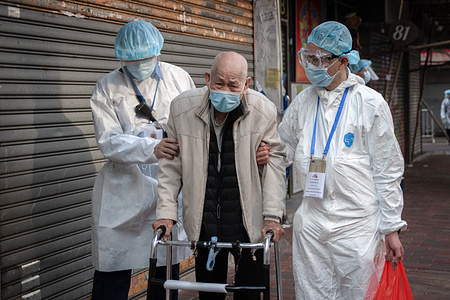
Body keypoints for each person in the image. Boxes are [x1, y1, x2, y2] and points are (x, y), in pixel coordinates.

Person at [279, 21, 407, 299]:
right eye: (307, 58)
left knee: (359, 294)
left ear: (342, 61)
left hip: (358, 227)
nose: (311, 65)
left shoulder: (370, 103)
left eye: (320, 59)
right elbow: (282, 151)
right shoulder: (303, 102)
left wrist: (391, 228)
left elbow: (387, 170)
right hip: (311, 223)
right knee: (312, 293)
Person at [153, 51, 286, 300]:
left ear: (246, 84)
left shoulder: (263, 111)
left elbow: (274, 166)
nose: (225, 90)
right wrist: (166, 214)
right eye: (219, 83)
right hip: (205, 223)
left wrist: (272, 216)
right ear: (207, 78)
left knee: (249, 293)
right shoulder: (182, 109)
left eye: (233, 85)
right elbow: (171, 165)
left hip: (248, 222)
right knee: (208, 294)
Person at [89, 21, 196, 300]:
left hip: (168, 186)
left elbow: (196, 125)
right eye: (132, 59)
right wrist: (152, 147)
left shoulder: (179, 78)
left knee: (164, 273)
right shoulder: (107, 87)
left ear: (157, 51)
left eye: (145, 58)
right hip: (123, 191)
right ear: (121, 57)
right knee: (112, 269)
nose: (139, 64)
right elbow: (108, 140)